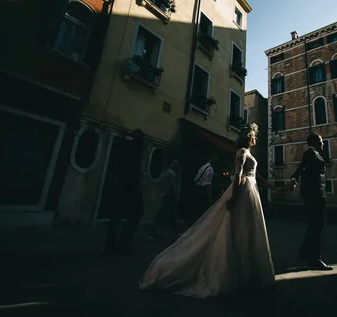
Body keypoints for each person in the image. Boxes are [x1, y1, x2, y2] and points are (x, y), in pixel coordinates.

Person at [139, 123, 284, 298]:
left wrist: (274, 189)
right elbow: (237, 176)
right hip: (244, 192)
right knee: (234, 227)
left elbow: (257, 176)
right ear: (248, 137)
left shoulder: (248, 154)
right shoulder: (241, 153)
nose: (255, 138)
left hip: (251, 192)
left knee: (246, 230)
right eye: (253, 136)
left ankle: (246, 271)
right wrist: (234, 198)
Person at [287, 133, 333, 270]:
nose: (323, 143)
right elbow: (301, 168)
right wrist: (294, 179)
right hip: (314, 194)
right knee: (317, 225)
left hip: (315, 193)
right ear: (317, 142)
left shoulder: (313, 154)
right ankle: (315, 259)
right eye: (322, 141)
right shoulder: (310, 153)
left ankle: (306, 252)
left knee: (315, 225)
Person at [103, 129, 145, 256]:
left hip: (121, 184)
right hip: (130, 185)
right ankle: (122, 244)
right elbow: (133, 170)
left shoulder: (124, 148)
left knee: (116, 215)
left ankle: (112, 245)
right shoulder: (136, 149)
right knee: (136, 212)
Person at [149, 159, 180, 239]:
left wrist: (163, 191)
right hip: (169, 195)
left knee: (166, 213)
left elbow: (158, 182)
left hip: (165, 194)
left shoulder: (164, 173)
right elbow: (172, 186)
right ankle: (175, 230)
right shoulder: (172, 174)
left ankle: (174, 230)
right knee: (168, 212)